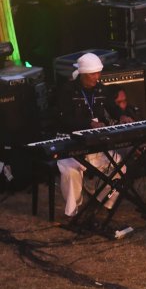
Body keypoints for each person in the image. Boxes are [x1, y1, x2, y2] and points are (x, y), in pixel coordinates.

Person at [50, 52, 123, 219]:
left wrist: (122, 115)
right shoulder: (67, 91)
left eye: (98, 73)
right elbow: (64, 119)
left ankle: (100, 203)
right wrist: (88, 124)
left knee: (121, 167)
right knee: (71, 172)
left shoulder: (100, 89)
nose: (96, 77)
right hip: (70, 143)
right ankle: (73, 213)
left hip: (94, 145)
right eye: (93, 74)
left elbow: (113, 108)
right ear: (82, 74)